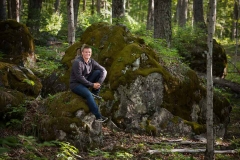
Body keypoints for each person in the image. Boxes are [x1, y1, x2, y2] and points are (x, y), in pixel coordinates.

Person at [70, 44, 108, 123]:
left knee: (98, 72)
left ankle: (95, 94)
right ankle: (98, 116)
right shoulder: (78, 62)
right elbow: (79, 78)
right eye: (86, 52)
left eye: (89, 52)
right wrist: (91, 84)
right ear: (82, 53)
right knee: (88, 95)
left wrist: (98, 83)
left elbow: (104, 70)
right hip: (76, 84)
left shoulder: (91, 61)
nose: (88, 54)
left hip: (86, 82)